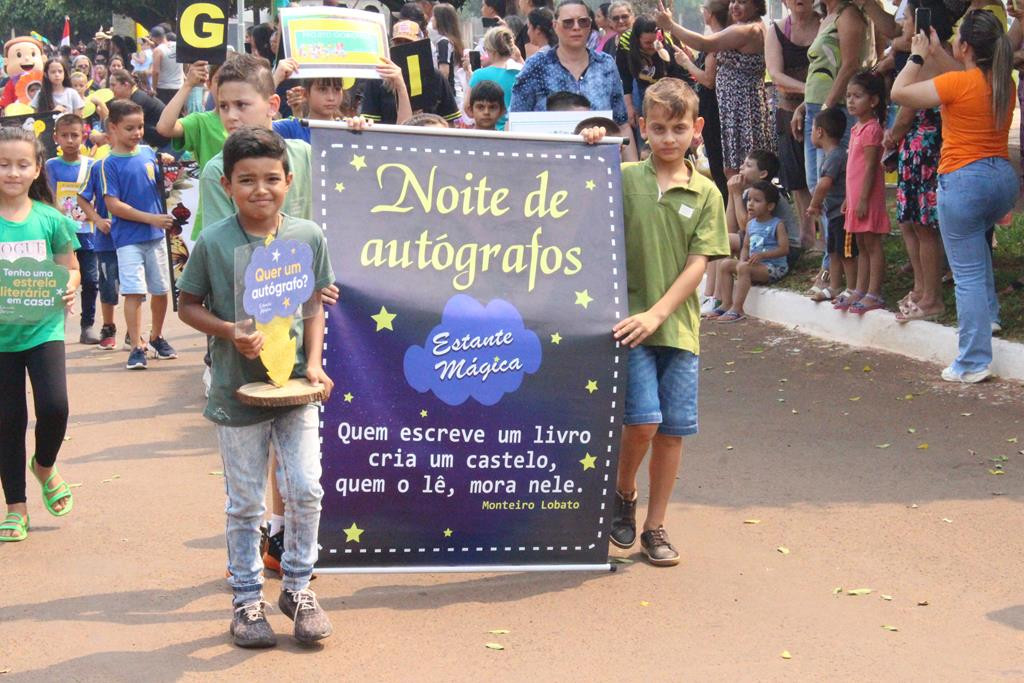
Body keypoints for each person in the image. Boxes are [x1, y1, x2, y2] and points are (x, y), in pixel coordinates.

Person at [177, 127, 334, 647]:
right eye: (246, 180)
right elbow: (188, 304)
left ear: (289, 180)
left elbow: (314, 306)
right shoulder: (214, 241)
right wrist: (228, 331)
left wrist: (314, 364)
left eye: (271, 178)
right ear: (226, 184)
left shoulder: (308, 235)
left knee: (306, 487)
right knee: (245, 501)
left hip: (295, 390)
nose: (259, 189)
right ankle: (247, 600)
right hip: (235, 389)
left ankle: (297, 587)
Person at [582, 77, 729, 566]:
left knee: (673, 430)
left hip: (678, 328)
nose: (668, 138)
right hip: (628, 326)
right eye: (659, 128)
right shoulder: (623, 179)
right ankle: (624, 493)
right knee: (642, 421)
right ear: (642, 128)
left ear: (697, 129)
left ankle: (656, 525)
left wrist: (659, 313)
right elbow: (577, 189)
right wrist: (590, 148)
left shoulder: (707, 192)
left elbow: (698, 263)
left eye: (679, 128)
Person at [892, 12, 1018, 382]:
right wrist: (936, 51)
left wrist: (916, 56)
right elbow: (963, 75)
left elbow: (900, 93)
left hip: (964, 182)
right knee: (977, 254)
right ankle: (989, 317)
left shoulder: (956, 84)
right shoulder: (1000, 82)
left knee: (967, 275)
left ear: (964, 47)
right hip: (1001, 180)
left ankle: (973, 361)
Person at [0, 126, 80, 542]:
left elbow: (70, 267)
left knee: (55, 407)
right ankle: (16, 507)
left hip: (44, 328)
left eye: (21, 164)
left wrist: (70, 285)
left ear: (36, 170)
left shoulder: (51, 219)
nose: (12, 172)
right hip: (0, 339)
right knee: (8, 419)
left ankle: (44, 465)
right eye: (3, 164)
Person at [100, 99, 177, 369]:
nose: (137, 133)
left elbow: (161, 186)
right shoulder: (108, 163)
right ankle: (136, 345)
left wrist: (166, 167)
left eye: (141, 127)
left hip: (156, 236)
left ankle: (156, 337)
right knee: (133, 292)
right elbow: (113, 204)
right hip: (128, 239)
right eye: (130, 128)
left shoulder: (148, 153)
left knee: (161, 289)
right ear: (113, 128)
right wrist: (150, 218)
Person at [656, 0, 773, 177]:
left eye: (742, 2)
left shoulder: (748, 30)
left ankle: (742, 203)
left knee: (740, 171)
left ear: (757, 5)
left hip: (741, 107)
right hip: (735, 106)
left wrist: (671, 26)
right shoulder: (746, 26)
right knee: (733, 169)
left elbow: (704, 44)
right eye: (733, 1)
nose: (735, 6)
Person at [890, 2, 953, 323]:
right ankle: (920, 287)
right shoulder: (949, 56)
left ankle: (931, 297)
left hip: (924, 148)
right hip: (918, 149)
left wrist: (890, 138)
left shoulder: (927, 60)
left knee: (924, 226)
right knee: (912, 222)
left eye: (908, 18)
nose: (903, 22)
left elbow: (904, 106)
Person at [511, 0, 637, 159]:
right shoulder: (536, 66)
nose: (576, 27)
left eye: (583, 22)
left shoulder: (606, 65)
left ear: (590, 25)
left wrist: (631, 169)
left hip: (599, 165)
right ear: (555, 26)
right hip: (547, 166)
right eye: (568, 22)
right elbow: (516, 122)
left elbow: (622, 124)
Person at [765, 0, 819, 249]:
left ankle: (826, 238)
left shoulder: (826, 24)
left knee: (821, 175)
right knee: (797, 178)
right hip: (788, 110)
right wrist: (810, 89)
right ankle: (807, 235)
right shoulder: (776, 29)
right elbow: (775, 74)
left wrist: (816, 95)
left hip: (823, 110)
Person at [837, 70, 890, 315]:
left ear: (873, 101)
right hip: (856, 197)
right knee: (860, 243)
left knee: (872, 243)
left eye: (857, 96)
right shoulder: (858, 128)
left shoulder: (872, 130)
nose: (850, 101)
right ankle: (860, 288)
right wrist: (850, 198)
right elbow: (853, 170)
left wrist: (863, 199)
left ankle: (874, 292)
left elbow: (870, 167)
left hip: (867, 198)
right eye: (848, 96)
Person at [45, 114, 98, 344]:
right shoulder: (50, 166)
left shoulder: (92, 166)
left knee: (91, 280)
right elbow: (48, 196)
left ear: (83, 136)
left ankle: (88, 325)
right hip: (60, 234)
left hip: (87, 232)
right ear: (55, 137)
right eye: (64, 135)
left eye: (74, 135)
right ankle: (56, 325)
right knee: (59, 279)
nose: (69, 140)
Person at [675, 0, 730, 202]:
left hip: (715, 108)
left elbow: (708, 79)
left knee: (719, 163)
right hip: (714, 106)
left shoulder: (716, 41)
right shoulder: (721, 38)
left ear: (710, 14)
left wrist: (686, 63)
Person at [713, 181, 790, 322]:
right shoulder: (750, 224)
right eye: (749, 199)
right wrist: (742, 259)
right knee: (725, 264)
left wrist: (763, 255)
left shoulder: (777, 224)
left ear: (770, 206)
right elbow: (746, 246)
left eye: (757, 200)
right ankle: (726, 303)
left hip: (773, 268)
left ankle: (738, 308)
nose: (750, 204)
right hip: (753, 266)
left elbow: (784, 249)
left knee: (743, 267)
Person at [806, 107, 857, 302]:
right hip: (834, 213)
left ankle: (852, 287)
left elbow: (824, 184)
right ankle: (834, 286)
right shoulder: (832, 155)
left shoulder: (835, 156)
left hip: (843, 213)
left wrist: (814, 204)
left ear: (819, 132)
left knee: (847, 253)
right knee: (834, 251)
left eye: (812, 129)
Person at [77, 151, 120, 350]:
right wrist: (97, 220)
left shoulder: (144, 157)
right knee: (106, 284)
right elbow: (82, 197)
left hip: (135, 236)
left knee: (134, 285)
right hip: (105, 240)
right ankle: (107, 327)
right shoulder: (98, 166)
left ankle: (135, 335)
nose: (135, 133)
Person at [359, 22, 443, 125]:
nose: (403, 47)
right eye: (399, 43)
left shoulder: (436, 77)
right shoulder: (378, 79)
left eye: (408, 42)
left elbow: (450, 122)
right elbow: (370, 124)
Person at [469, 27, 523, 130]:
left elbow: (467, 108)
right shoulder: (523, 72)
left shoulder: (478, 75)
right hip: (515, 132)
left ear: (491, 50)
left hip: (486, 133)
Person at [109, 69, 169, 151]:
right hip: (162, 142)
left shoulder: (137, 101)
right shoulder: (135, 97)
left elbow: (120, 126)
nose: (110, 89)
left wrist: (102, 107)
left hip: (169, 143)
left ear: (126, 85)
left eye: (113, 85)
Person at [150, 26, 184, 105]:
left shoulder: (158, 50)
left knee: (165, 113)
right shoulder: (177, 45)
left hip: (164, 88)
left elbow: (155, 72)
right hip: (179, 86)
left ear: (154, 38)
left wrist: (154, 89)